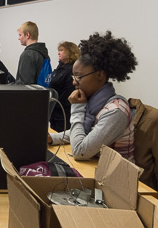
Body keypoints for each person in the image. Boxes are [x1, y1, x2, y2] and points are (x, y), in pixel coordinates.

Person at [48, 31, 137, 162]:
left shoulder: (116, 111)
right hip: (95, 168)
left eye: (78, 77)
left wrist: (77, 108)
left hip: (115, 179)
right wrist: (52, 138)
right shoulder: (95, 103)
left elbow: (80, 151)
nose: (74, 82)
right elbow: (85, 133)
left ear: (99, 75)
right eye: (73, 77)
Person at [48, 41, 80, 132]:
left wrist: (56, 104)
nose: (58, 53)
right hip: (54, 110)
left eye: (61, 50)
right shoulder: (59, 67)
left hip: (63, 112)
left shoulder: (72, 69)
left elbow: (68, 92)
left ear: (70, 52)